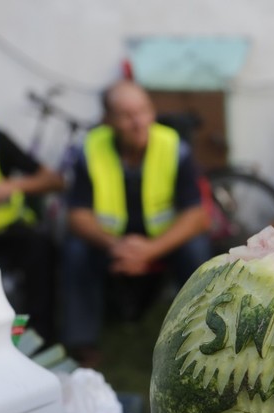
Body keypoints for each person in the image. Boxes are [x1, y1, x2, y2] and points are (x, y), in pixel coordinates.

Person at [62, 81, 211, 366]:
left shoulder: (173, 146)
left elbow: (197, 216)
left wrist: (149, 250)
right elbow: (77, 216)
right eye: (126, 115)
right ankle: (82, 342)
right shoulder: (90, 149)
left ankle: (203, 333)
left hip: (160, 241)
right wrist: (118, 245)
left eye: (144, 111)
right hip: (111, 242)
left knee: (196, 248)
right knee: (76, 250)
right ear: (107, 120)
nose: (138, 122)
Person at [0, 124, 63, 342]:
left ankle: (34, 338)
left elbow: (53, 180)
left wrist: (9, 186)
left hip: (7, 233)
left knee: (40, 248)